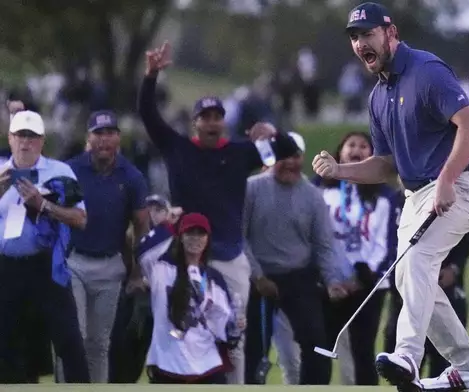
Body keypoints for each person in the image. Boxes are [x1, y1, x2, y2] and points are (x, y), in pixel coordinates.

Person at [313, 3, 469, 391]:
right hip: (416, 196)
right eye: (355, 38)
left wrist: (447, 179)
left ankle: (407, 357)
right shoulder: (378, 97)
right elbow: (386, 164)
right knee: (412, 279)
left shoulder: (426, 70)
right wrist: (341, 171)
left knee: (419, 264)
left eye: (368, 34)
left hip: (463, 185)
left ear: (390, 32)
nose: (361, 44)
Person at [138, 41, 299, 384]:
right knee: (182, 331)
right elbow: (149, 116)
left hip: (228, 255)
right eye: (205, 117)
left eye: (217, 117)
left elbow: (287, 149)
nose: (212, 123)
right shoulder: (177, 148)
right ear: (195, 122)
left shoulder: (240, 153)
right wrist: (151, 76)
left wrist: (270, 132)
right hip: (187, 257)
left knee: (234, 335)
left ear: (224, 122)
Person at [243, 132, 351, 385]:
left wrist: (332, 280)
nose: (290, 163)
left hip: (298, 277)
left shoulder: (312, 195)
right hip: (259, 279)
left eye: (295, 157)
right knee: (253, 349)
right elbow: (240, 237)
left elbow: (324, 245)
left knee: (315, 344)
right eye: (283, 158)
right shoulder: (252, 189)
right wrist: (257, 276)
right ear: (272, 160)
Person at [0, 110, 90, 383]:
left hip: (46, 264)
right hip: (6, 269)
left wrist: (44, 206)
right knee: (7, 341)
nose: (25, 143)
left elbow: (80, 219)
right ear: (10, 138)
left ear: (42, 141)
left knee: (68, 339)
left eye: (32, 137)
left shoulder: (60, 172)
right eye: (20, 136)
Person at [63, 110, 149, 383]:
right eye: (98, 134)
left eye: (110, 133)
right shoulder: (72, 170)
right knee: (74, 336)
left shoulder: (131, 177)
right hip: (74, 261)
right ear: (89, 138)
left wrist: (137, 271)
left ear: (118, 139)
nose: (104, 140)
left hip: (111, 266)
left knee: (99, 343)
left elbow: (141, 226)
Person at [314, 131, 399, 385]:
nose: (357, 150)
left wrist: (366, 277)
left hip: (370, 284)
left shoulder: (386, 197)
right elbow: (314, 237)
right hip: (330, 282)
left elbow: (389, 243)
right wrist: (328, 277)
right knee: (321, 347)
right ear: (340, 152)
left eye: (364, 146)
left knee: (363, 349)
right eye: (351, 144)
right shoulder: (319, 190)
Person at [137, 212, 243, 384]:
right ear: (180, 237)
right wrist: (167, 225)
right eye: (190, 233)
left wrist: (235, 327)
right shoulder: (161, 270)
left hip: (207, 364)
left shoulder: (214, 278)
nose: (195, 238)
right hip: (168, 361)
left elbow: (223, 324)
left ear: (208, 239)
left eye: (200, 233)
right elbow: (143, 251)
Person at [385, 232, 469, 379]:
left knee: (443, 362)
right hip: (405, 293)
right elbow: (391, 244)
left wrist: (454, 268)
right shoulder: (398, 210)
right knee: (403, 366)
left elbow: (465, 240)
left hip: (445, 288)